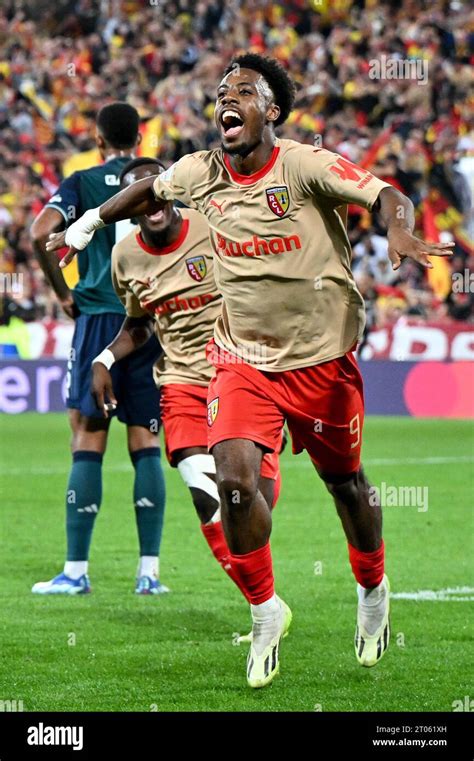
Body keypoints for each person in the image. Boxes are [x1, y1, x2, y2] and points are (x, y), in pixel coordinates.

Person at [47, 55, 454, 687]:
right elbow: (149, 189)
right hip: (243, 361)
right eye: (220, 94)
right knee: (233, 484)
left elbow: (387, 195)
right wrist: (91, 223)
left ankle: (372, 586)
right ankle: (265, 609)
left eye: (244, 92)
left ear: (273, 112)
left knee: (347, 488)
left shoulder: (304, 164)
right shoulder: (200, 171)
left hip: (323, 362)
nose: (226, 101)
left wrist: (399, 230)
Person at [90, 157, 286, 631]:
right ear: (129, 206)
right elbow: (138, 326)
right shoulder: (125, 258)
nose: (151, 200)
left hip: (242, 375)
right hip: (182, 384)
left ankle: (265, 603)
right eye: (139, 193)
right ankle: (265, 609)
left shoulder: (211, 226)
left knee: (250, 502)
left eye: (156, 188)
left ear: (170, 191)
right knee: (209, 500)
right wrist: (104, 359)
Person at [31, 103, 167, 596]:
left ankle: (75, 571)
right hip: (147, 323)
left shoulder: (82, 181)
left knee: (88, 439)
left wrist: (64, 293)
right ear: (139, 137)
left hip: (98, 322)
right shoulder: (159, 179)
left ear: (98, 137)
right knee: (147, 441)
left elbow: (39, 232)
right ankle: (149, 574)